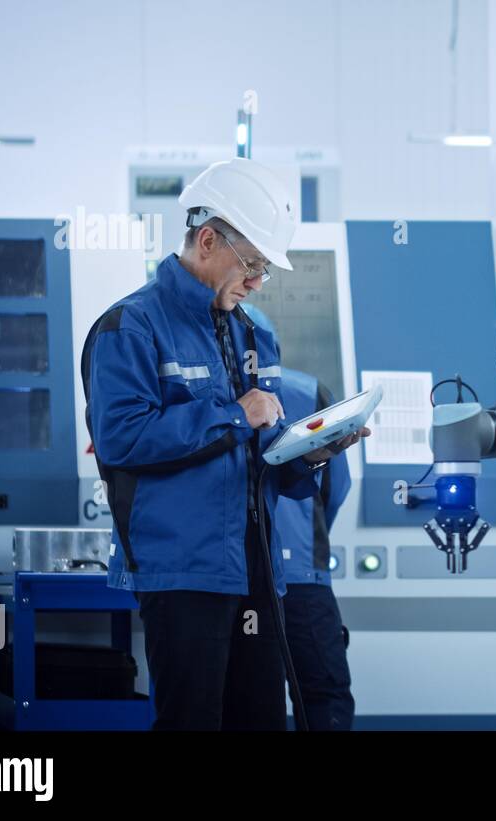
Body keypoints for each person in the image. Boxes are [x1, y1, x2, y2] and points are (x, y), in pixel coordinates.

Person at [80, 157, 367, 730]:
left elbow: (265, 459)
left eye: (265, 268)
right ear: (207, 240)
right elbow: (121, 440)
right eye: (253, 263)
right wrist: (236, 414)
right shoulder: (129, 327)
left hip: (257, 569)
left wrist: (313, 451)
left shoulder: (255, 331)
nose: (259, 281)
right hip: (182, 572)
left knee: (259, 721)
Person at [241, 304, 358, 731]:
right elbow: (336, 487)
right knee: (322, 695)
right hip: (304, 575)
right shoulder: (310, 393)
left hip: (244, 579)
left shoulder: (216, 396)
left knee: (251, 697)